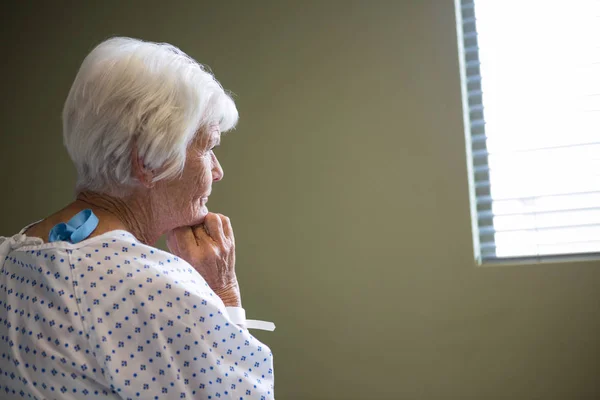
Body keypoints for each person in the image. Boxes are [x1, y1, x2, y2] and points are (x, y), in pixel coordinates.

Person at [0, 37, 275, 400]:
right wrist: (223, 294)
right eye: (208, 148)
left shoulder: (9, 258)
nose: (218, 171)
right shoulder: (156, 290)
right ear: (148, 161)